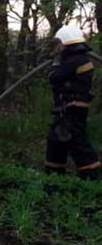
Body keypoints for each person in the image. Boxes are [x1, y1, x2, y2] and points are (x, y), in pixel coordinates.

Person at [45, 25, 101, 180]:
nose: (58, 47)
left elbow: (53, 77)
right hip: (66, 109)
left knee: (78, 143)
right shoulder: (74, 59)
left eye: (59, 43)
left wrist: (54, 65)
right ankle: (54, 179)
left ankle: (93, 179)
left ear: (66, 42)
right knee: (56, 142)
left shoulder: (75, 60)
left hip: (72, 109)